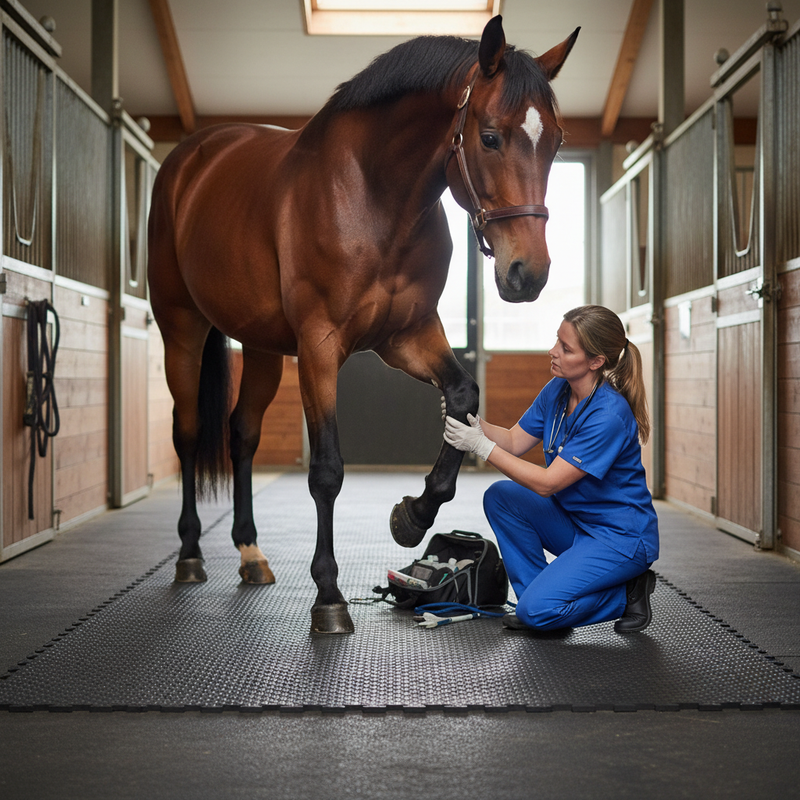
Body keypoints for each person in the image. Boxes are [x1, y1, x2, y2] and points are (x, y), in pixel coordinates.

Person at [443, 305, 659, 634]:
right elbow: (514, 440)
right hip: (576, 523)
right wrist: (471, 422)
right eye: (557, 340)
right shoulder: (558, 390)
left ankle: (627, 593)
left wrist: (481, 447)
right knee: (501, 497)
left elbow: (547, 484)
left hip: (619, 538)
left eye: (566, 348)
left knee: (537, 611)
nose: (553, 351)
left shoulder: (608, 415)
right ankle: (540, 601)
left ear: (596, 362)